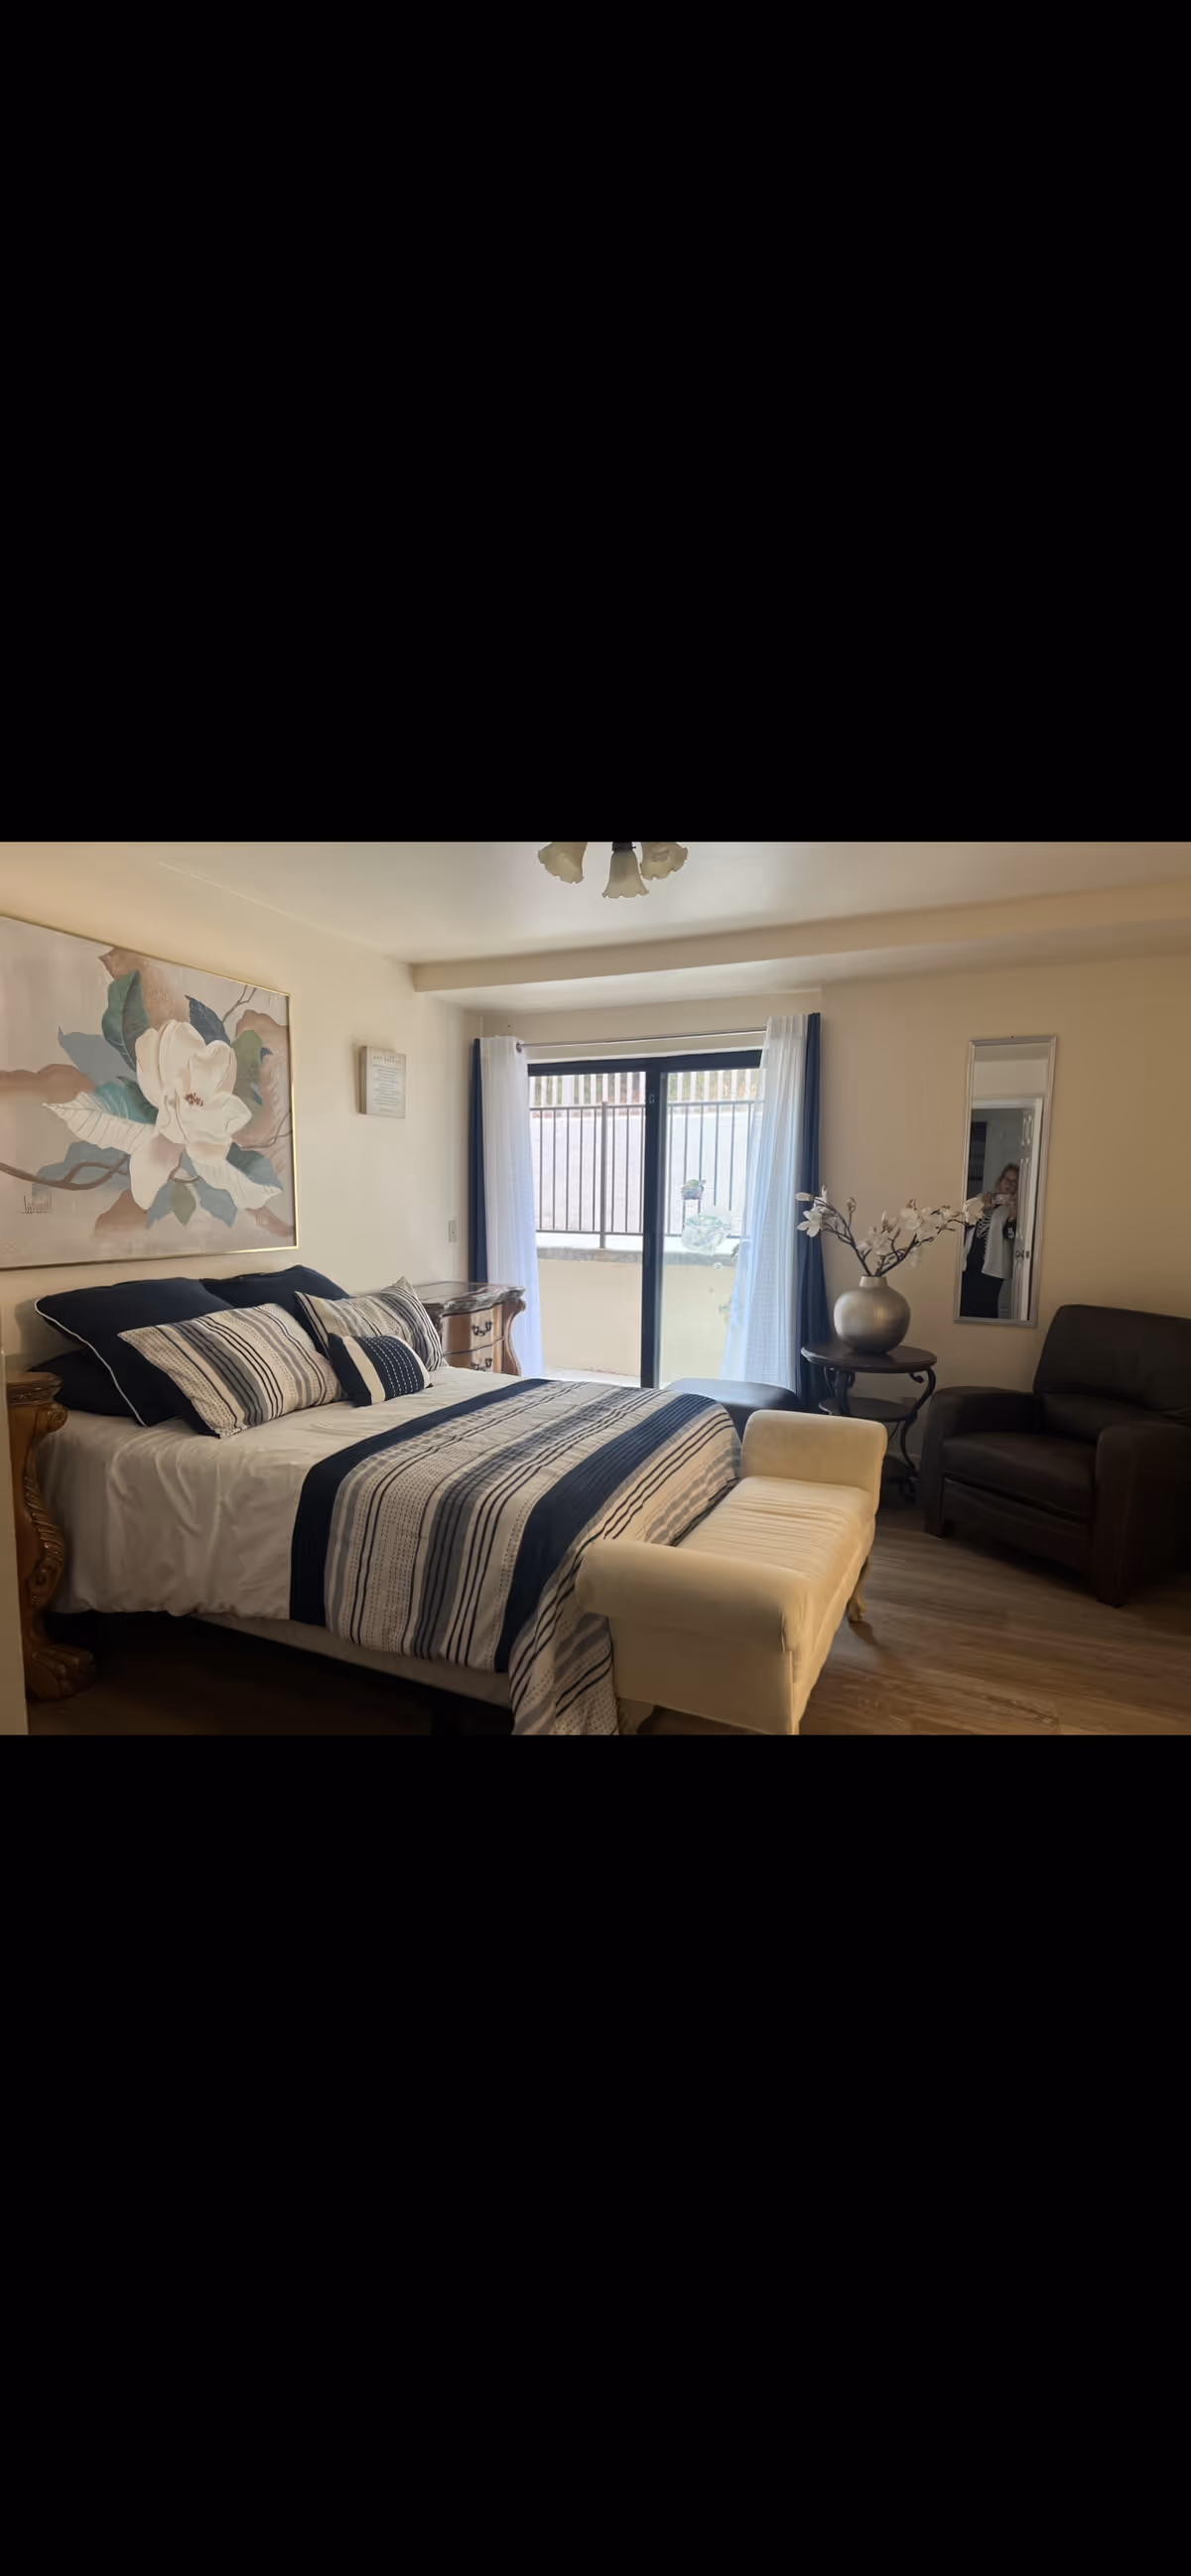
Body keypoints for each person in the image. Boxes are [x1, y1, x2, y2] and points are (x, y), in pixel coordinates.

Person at [960, 1164, 1019, 1318]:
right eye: (1007, 1179)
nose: (1008, 1184)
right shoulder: (983, 1199)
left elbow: (1011, 1236)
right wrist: (982, 1206)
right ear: (1000, 1180)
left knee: (986, 1310)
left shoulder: (1015, 1208)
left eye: (1014, 1182)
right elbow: (964, 1221)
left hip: (992, 1269)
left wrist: (1013, 1215)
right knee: (964, 1308)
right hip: (970, 1264)